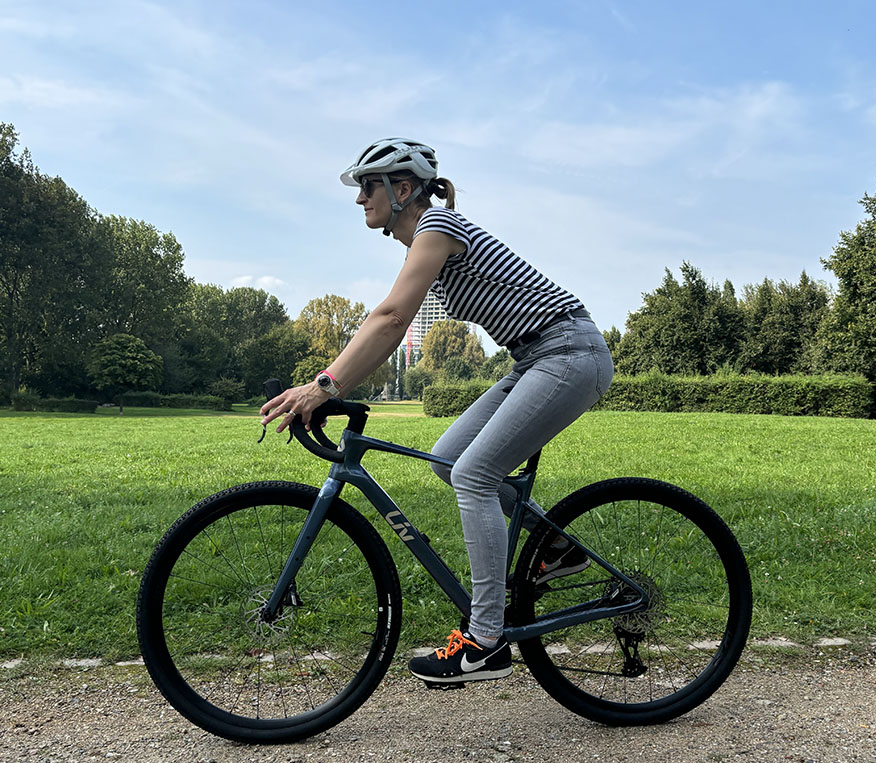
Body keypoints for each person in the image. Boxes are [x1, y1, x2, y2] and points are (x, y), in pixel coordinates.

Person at [260, 138, 613, 686]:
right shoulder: (426, 241)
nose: (359, 199)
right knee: (448, 459)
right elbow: (386, 329)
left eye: (367, 186)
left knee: (475, 474)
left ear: (403, 190)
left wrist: (324, 385)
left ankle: (486, 642)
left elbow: (393, 316)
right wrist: (330, 384)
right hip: (538, 356)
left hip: (570, 353)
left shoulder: (439, 228)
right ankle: (558, 547)